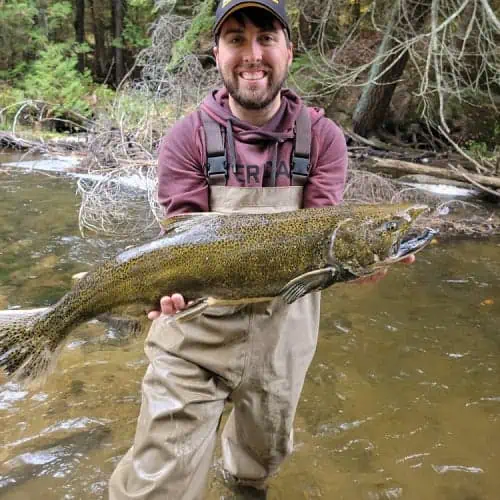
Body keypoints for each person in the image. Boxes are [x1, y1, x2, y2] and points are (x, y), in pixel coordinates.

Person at [109, 1, 413, 498]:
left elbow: (326, 234)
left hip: (283, 337)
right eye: (236, 40)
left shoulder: (322, 138)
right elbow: (180, 240)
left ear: (288, 50)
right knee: (155, 484)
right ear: (216, 52)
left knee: (255, 471)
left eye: (266, 38)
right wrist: (166, 292)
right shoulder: (187, 137)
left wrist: (360, 264)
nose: (253, 55)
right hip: (193, 334)